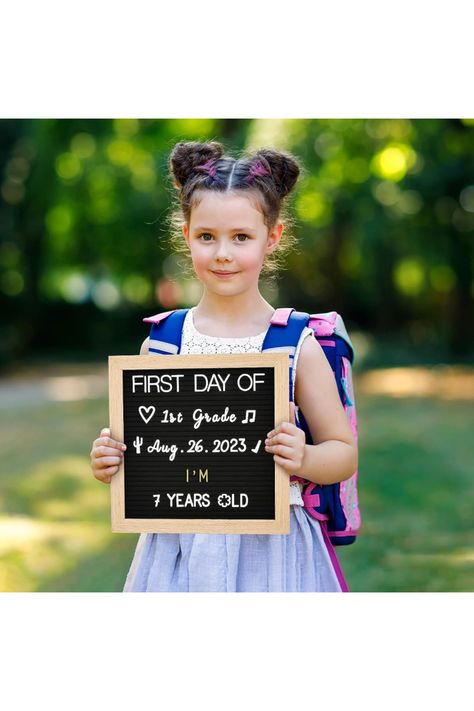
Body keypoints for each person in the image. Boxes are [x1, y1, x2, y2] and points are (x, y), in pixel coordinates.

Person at [90, 140, 358, 592]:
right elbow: (146, 450)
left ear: (271, 237)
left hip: (274, 550)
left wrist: (307, 457)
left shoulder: (296, 344)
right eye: (207, 237)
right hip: (176, 549)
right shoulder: (162, 344)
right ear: (186, 234)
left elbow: (343, 452)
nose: (223, 254)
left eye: (241, 237)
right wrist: (111, 459)